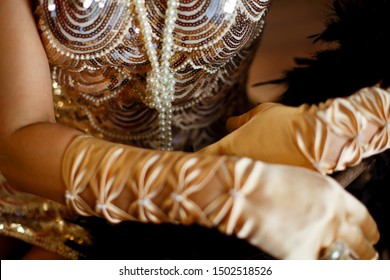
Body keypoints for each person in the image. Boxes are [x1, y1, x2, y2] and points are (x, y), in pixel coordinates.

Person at [0, 0, 385, 260]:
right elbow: (18, 137)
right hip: (52, 212)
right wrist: (221, 190)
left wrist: (360, 117)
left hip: (246, 148)